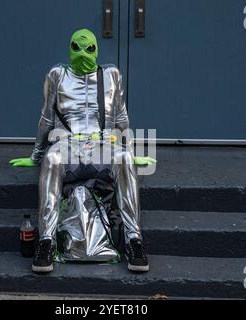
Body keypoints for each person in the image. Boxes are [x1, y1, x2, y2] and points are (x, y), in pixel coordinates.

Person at [10, 29, 156, 273]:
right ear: (69, 48)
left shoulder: (111, 75)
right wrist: (36, 155)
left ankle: (134, 240)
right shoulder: (57, 74)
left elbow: (121, 117)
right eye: (76, 47)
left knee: (123, 158)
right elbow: (46, 117)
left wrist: (129, 150)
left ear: (96, 49)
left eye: (89, 49)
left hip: (103, 145)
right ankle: (46, 241)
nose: (82, 53)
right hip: (67, 145)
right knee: (53, 158)